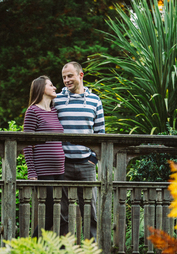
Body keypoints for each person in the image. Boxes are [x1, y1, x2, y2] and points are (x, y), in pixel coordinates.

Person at [54, 61, 105, 240]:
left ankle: (92, 249)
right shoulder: (57, 100)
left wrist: (93, 159)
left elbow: (101, 134)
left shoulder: (95, 100)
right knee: (61, 212)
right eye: (64, 77)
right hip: (63, 164)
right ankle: (63, 249)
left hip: (86, 164)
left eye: (70, 76)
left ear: (81, 75)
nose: (66, 80)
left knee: (91, 211)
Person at [23, 75, 65, 237]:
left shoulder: (54, 111)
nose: (55, 88)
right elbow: (26, 143)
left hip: (59, 170)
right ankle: (30, 247)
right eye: (51, 85)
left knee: (58, 213)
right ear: (41, 89)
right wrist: (32, 172)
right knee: (49, 215)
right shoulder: (32, 111)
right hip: (43, 171)